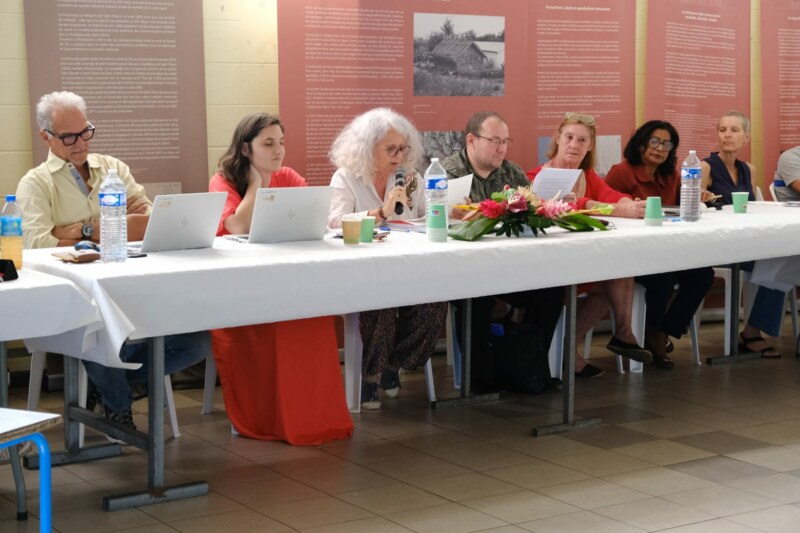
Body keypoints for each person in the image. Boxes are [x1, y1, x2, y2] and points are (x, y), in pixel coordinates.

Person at [16, 91, 210, 429]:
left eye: (86, 132)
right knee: (96, 331)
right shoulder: (35, 183)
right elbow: (37, 244)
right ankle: (118, 407)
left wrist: (81, 229)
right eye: (69, 137)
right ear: (46, 136)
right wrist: (116, 223)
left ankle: (111, 386)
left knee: (197, 342)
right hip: (79, 301)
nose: (81, 143)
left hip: (133, 290)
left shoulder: (113, 168)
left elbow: (150, 221)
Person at [209, 112, 353, 443]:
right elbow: (237, 226)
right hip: (243, 288)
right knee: (278, 321)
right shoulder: (223, 181)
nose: (278, 151)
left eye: (282, 143)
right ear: (245, 149)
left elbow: (313, 218)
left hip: (290, 279)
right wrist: (257, 184)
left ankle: (314, 413)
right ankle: (270, 415)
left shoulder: (288, 176)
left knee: (313, 317)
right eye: (268, 144)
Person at [328, 107, 447, 410]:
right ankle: (370, 376)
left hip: (408, 268)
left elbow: (426, 218)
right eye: (390, 149)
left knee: (435, 305)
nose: (399, 156)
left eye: (403, 148)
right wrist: (380, 213)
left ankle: (393, 364)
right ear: (367, 148)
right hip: (362, 272)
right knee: (380, 303)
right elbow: (334, 223)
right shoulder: (347, 177)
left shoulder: (411, 178)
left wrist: (447, 213)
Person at [440, 111, 564, 392]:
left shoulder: (513, 173)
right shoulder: (446, 174)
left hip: (510, 266)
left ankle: (528, 368)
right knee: (476, 296)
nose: (502, 148)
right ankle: (481, 378)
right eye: (494, 140)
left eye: (506, 141)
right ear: (471, 140)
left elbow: (530, 215)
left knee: (551, 291)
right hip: (462, 269)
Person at [527, 112, 651, 377]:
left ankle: (608, 337)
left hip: (583, 262)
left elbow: (611, 195)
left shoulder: (588, 175)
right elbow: (569, 206)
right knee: (614, 275)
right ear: (558, 138)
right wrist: (614, 209)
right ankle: (593, 343)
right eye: (569, 137)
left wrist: (631, 204)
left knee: (620, 271)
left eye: (582, 140)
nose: (575, 145)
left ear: (591, 145)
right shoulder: (537, 177)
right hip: (551, 265)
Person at [606, 120, 714, 368]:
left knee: (703, 275)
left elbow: (680, 208)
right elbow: (609, 212)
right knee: (662, 279)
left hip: (667, 251)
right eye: (654, 141)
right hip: (632, 254)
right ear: (641, 143)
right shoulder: (621, 172)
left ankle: (661, 333)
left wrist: (699, 196)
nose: (659, 148)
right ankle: (653, 332)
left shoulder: (671, 175)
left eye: (666, 144)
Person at [701, 110, 783, 358]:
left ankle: (752, 330)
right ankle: (752, 334)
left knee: (782, 260)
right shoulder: (705, 167)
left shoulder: (749, 169)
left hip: (744, 242)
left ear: (746, 138)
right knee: (775, 263)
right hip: (716, 244)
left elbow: (752, 209)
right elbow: (692, 207)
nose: (727, 135)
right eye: (722, 130)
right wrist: (703, 199)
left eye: (734, 130)